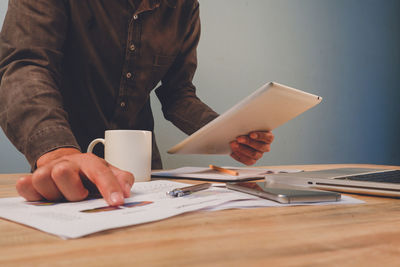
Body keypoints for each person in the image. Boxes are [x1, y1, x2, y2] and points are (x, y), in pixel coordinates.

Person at [0, 0, 274, 206]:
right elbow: (24, 64)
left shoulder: (185, 6)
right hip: (67, 168)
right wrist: (58, 152)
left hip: (146, 177)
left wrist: (229, 135)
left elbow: (178, 94)